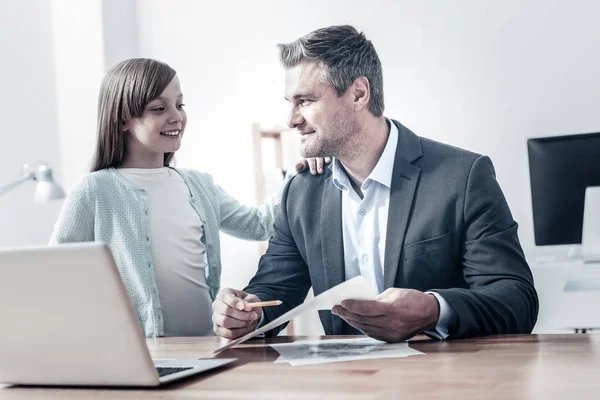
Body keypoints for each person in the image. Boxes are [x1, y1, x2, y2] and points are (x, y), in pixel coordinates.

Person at [212, 25, 539, 342]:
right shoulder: (300, 193)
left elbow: (516, 299)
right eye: (290, 102)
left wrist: (433, 309)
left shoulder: (463, 177)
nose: (291, 119)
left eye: (306, 101)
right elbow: (274, 291)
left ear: (358, 93)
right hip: (345, 386)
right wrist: (246, 314)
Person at [50, 58, 327, 338]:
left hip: (204, 349)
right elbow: (55, 273)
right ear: (123, 120)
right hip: (140, 353)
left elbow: (260, 225)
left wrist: (296, 175)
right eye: (159, 108)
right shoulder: (96, 190)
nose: (176, 117)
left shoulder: (198, 185)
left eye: (179, 105)